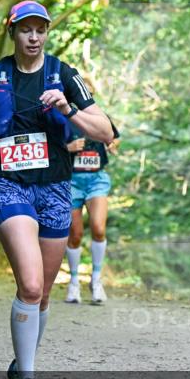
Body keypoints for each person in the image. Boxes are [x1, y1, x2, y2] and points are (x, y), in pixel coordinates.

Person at [0, 0, 114, 379]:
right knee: (29, 286)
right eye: (26, 29)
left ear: (46, 33)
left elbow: (106, 131)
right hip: (9, 186)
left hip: (56, 189)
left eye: (40, 30)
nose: (33, 37)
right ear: (12, 32)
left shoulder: (64, 75)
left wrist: (68, 108)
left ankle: (20, 366)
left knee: (43, 293)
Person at [65, 119, 119, 304]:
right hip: (70, 179)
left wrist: (112, 145)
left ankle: (96, 280)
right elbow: (48, 147)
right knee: (75, 235)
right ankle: (74, 283)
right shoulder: (62, 117)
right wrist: (68, 147)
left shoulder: (99, 116)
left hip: (97, 179)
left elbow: (115, 137)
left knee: (99, 229)